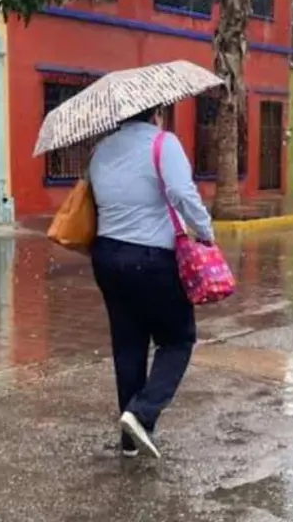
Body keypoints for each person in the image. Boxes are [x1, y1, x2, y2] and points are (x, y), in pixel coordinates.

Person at [87, 106, 215, 459]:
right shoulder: (164, 143)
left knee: (128, 345)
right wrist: (206, 233)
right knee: (177, 339)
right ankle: (142, 414)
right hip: (152, 259)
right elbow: (183, 194)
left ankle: (130, 441)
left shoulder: (100, 150)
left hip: (107, 256)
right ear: (156, 112)